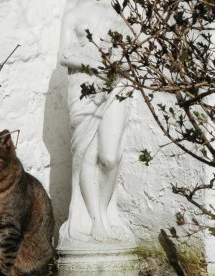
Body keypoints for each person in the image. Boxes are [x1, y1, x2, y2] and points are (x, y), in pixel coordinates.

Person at [58, 0, 133, 243]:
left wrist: (116, 65)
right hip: (84, 88)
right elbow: (64, 55)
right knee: (87, 155)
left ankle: (106, 212)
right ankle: (95, 220)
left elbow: (132, 49)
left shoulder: (118, 12)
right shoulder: (72, 14)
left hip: (116, 85)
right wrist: (96, 64)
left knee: (111, 157)